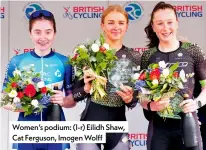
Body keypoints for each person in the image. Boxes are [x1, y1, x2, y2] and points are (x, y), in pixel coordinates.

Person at [140, 1, 206, 150]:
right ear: (153, 27)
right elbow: (142, 95)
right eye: (160, 23)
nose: (165, 28)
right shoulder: (148, 56)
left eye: (170, 22)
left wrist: (196, 103)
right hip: (159, 129)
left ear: (177, 23)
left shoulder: (193, 50)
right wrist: (151, 105)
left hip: (188, 124)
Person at [2, 10, 76, 150]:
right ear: (30, 33)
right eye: (37, 32)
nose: (43, 37)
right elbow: (3, 98)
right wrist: (20, 106)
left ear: (54, 33)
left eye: (48, 32)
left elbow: (72, 99)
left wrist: (64, 100)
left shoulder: (64, 62)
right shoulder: (17, 61)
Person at [70, 4, 141, 150]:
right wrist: (86, 88)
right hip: (90, 123)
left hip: (117, 125)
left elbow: (134, 101)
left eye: (121, 23)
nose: (116, 27)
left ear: (127, 26)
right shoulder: (89, 54)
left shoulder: (134, 57)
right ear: (102, 25)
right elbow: (75, 95)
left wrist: (130, 99)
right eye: (111, 22)